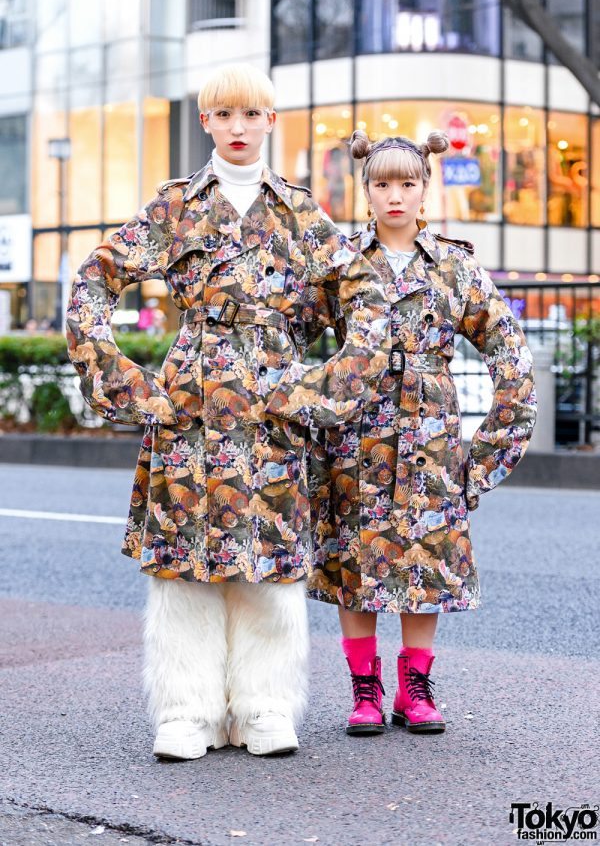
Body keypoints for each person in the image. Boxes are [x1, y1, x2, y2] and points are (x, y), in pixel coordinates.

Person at [65, 64, 390, 760]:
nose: (238, 128)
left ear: (272, 122)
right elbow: (94, 279)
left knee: (271, 566)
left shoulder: (302, 213)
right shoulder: (176, 205)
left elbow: (369, 305)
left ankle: (266, 706)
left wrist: (322, 392)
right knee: (184, 565)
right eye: (224, 115)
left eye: (252, 114)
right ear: (206, 123)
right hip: (190, 407)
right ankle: (186, 712)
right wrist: (121, 378)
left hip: (276, 411)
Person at [308, 128, 537, 735]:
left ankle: (416, 689)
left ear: (425, 188)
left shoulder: (456, 264)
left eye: (407, 183)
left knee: (425, 563)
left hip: (433, 441)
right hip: (356, 440)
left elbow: (510, 358)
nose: (395, 196)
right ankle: (364, 692)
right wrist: (306, 422)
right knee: (357, 562)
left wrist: (482, 461)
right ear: (365, 190)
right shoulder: (340, 264)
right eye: (382, 184)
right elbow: (291, 340)